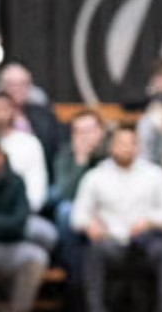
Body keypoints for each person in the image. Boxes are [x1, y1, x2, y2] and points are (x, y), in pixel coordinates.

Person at [71, 124, 162, 312]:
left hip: (146, 242)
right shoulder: (95, 176)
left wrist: (150, 221)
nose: (126, 148)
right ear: (111, 146)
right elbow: (77, 216)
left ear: (138, 146)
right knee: (94, 252)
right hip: (111, 241)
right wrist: (90, 225)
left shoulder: (155, 174)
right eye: (121, 143)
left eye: (131, 143)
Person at [49, 108, 108, 309]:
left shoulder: (112, 152)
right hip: (81, 217)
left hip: (110, 214)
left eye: (89, 130)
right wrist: (81, 161)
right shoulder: (67, 154)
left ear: (101, 131)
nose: (85, 136)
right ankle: (76, 282)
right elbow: (65, 193)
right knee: (66, 212)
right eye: (79, 131)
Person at [0, 90, 57, 254]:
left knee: (46, 235)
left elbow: (37, 192)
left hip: (19, 214)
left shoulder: (29, 143)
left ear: (13, 111)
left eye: (3, 108)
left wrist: (17, 216)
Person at [0, 131, 49, 312]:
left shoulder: (16, 181)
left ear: (3, 155)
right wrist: (5, 223)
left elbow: (19, 222)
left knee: (36, 257)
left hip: (12, 245)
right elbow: (12, 222)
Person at [0, 62, 64, 175]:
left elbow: (56, 150)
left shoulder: (45, 116)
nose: (17, 89)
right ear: (2, 86)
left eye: (23, 84)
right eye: (11, 84)